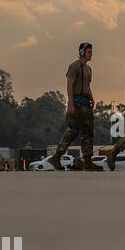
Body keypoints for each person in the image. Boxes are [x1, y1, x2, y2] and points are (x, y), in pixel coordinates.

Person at [50, 42, 103, 171]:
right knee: (73, 131)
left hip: (85, 104)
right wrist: (71, 103)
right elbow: (70, 85)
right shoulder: (74, 66)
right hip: (77, 103)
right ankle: (56, 157)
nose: (91, 54)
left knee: (88, 133)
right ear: (82, 52)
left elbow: (87, 86)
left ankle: (87, 161)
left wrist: (91, 97)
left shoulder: (88, 69)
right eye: (89, 51)